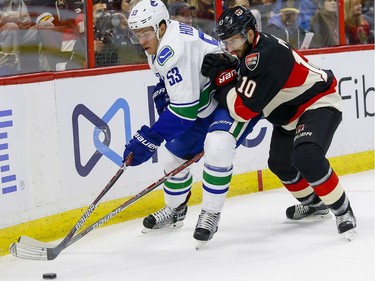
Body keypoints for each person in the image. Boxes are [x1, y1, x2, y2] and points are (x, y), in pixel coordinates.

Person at [201, 6, 357, 240]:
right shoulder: (249, 52)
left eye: (233, 41)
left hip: (317, 103)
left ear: (250, 34)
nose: (229, 48)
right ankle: (314, 204)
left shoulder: (263, 57)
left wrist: (221, 83)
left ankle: (343, 211)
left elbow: (242, 110)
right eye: (225, 42)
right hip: (289, 114)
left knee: (306, 156)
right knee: (280, 164)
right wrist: (229, 74)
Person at [123, 0, 260, 247]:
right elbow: (182, 89)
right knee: (171, 154)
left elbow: (184, 112)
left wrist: (150, 138)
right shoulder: (161, 42)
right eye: (137, 34)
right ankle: (176, 211)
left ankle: (210, 214)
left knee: (217, 146)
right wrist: (164, 89)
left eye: (145, 32)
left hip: (230, 98)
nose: (142, 40)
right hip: (207, 100)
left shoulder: (174, 49)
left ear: (162, 27)